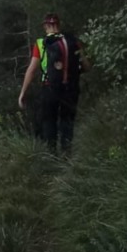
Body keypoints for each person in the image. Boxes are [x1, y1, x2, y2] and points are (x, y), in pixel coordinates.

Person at [18, 13, 89, 153]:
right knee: (67, 121)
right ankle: (67, 154)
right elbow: (87, 66)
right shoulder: (74, 41)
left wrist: (23, 93)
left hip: (49, 89)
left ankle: (52, 155)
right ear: (59, 25)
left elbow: (31, 70)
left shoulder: (41, 43)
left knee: (49, 121)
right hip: (71, 88)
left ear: (45, 26)